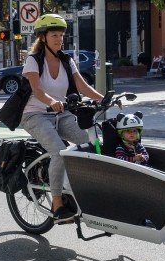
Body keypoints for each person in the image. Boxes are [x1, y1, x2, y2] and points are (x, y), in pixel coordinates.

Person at [20, 14, 104, 222]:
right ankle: (58, 204)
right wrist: (51, 101)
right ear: (43, 38)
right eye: (54, 35)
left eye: (61, 35)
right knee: (60, 152)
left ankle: (84, 188)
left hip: (61, 114)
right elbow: (37, 90)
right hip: (35, 115)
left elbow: (83, 86)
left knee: (91, 142)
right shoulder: (34, 60)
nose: (59, 39)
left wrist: (105, 99)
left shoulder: (67, 60)